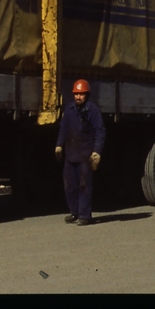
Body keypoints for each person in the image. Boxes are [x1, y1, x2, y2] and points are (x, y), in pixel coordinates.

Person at [55, 78, 106, 226]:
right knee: (69, 185)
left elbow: (100, 132)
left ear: (87, 95)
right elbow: (63, 129)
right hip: (71, 154)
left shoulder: (93, 111)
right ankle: (74, 212)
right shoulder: (69, 110)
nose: (78, 97)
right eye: (76, 94)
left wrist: (96, 152)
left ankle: (84, 215)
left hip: (85, 155)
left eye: (81, 94)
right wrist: (59, 145)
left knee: (84, 185)